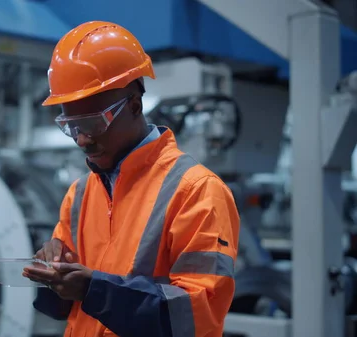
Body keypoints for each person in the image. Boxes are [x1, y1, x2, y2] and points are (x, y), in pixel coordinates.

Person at [22, 21, 240, 337]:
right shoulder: (80, 195)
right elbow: (63, 309)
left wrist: (94, 290)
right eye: (71, 126)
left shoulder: (197, 192)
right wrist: (52, 273)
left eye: (92, 123)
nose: (82, 140)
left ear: (135, 105)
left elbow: (198, 314)